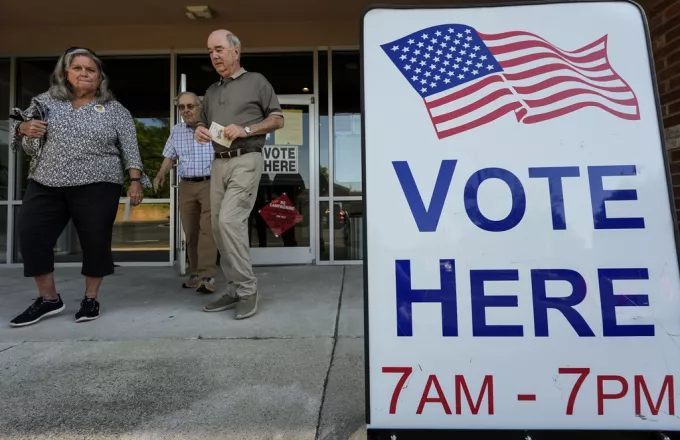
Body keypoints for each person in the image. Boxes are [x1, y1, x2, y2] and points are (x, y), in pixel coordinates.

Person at [8, 47, 151, 327]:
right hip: (46, 180)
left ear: (100, 78)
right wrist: (24, 129)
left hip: (98, 182)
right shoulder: (45, 101)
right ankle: (48, 299)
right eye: (78, 68)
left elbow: (131, 150)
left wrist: (135, 182)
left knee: (95, 241)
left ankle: (90, 298)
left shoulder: (115, 110)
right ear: (65, 73)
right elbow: (22, 127)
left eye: (91, 70)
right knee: (31, 234)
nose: (84, 73)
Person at [194, 29, 284, 320]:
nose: (214, 56)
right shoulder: (211, 91)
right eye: (210, 51)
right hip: (218, 162)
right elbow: (204, 123)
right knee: (219, 229)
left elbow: (277, 119)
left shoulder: (256, 81)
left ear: (236, 50)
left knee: (230, 222)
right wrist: (199, 130)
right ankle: (234, 288)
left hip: (246, 158)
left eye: (219, 49)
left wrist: (247, 129)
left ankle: (247, 289)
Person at [154, 91, 218, 293]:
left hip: (210, 183)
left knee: (207, 230)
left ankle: (207, 276)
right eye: (182, 107)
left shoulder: (213, 128)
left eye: (190, 106)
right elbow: (170, 156)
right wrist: (161, 173)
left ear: (199, 107)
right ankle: (197, 272)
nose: (186, 110)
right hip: (186, 185)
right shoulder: (177, 130)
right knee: (190, 232)